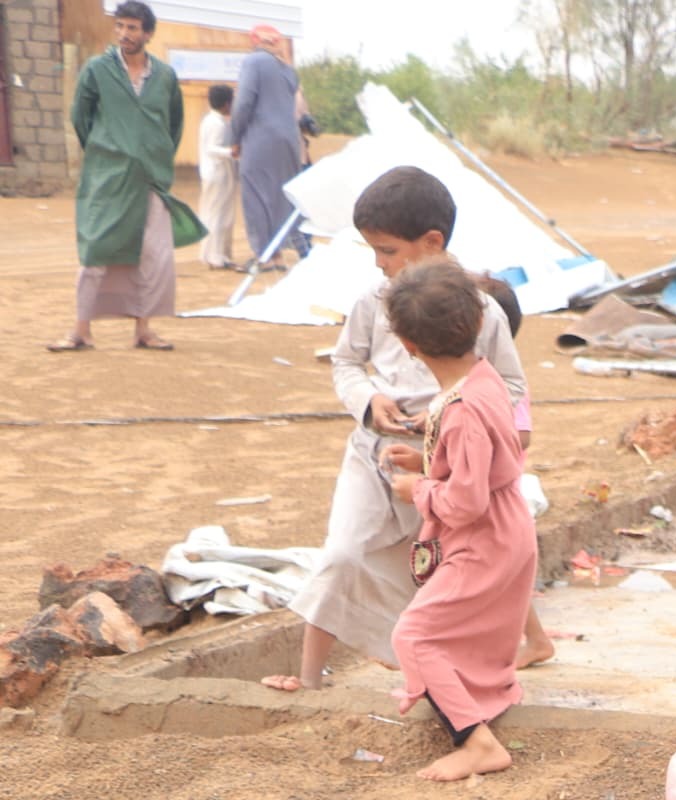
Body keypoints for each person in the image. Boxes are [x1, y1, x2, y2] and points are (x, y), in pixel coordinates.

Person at [264, 166, 553, 693]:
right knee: (343, 553)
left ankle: (450, 678)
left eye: (388, 250)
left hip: (447, 467)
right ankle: (309, 678)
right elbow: (346, 364)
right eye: (373, 251)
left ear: (432, 242)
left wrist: (447, 417)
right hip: (375, 452)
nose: (379, 263)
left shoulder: (481, 311)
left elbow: (510, 386)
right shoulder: (372, 301)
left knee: (442, 574)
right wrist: (368, 401)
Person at [381, 260, 537, 782]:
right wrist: (427, 462)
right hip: (504, 524)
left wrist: (418, 488)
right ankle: (476, 707)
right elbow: (482, 463)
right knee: (463, 628)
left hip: (483, 535)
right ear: (477, 323)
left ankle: (478, 743)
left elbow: (466, 502)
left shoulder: (463, 407)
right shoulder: (483, 380)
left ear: (408, 344)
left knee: (415, 637)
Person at [50, 2, 204, 354]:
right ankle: (80, 330)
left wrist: (154, 154)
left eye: (133, 28)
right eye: (120, 26)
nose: (124, 34)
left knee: (151, 254)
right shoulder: (97, 70)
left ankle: (143, 329)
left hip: (151, 178)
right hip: (107, 178)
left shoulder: (164, 76)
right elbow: (81, 117)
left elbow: (174, 123)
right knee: (95, 250)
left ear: (148, 33)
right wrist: (109, 151)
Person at [230, 22, 303, 265]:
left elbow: (243, 103)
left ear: (255, 41)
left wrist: (235, 138)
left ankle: (266, 254)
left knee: (256, 195)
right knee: (280, 195)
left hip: (261, 137)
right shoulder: (288, 70)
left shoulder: (254, 62)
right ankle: (281, 250)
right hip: (289, 140)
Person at [197, 83, 240, 270]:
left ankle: (212, 254)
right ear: (226, 104)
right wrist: (231, 151)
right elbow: (212, 148)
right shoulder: (217, 124)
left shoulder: (210, 120)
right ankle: (216, 256)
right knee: (218, 215)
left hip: (213, 172)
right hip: (218, 172)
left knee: (213, 213)